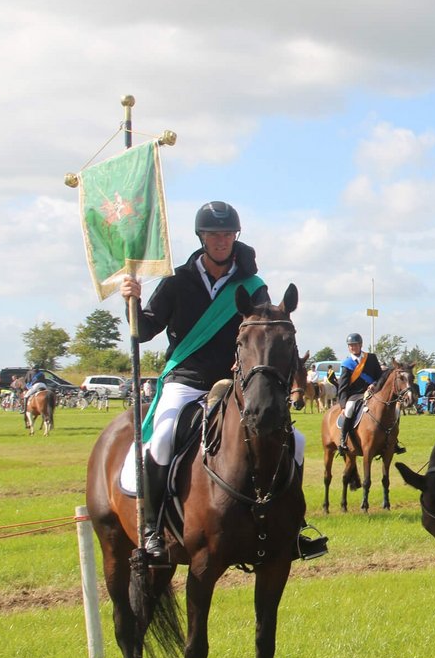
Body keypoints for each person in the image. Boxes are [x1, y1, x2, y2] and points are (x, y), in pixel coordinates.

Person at [120, 201, 327, 562]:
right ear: (201, 238)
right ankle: (153, 531)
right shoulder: (177, 280)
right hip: (185, 379)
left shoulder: (252, 285)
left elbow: (264, 335)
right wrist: (132, 302)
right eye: (214, 234)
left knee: (295, 439)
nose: (221, 241)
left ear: (236, 237)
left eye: (228, 234)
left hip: (233, 384)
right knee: (164, 438)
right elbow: (145, 330)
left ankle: (293, 528)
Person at [335, 333, 404, 454]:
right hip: (355, 395)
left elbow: (380, 376)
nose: (352, 347)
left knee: (396, 411)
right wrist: (342, 405)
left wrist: (374, 385)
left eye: (355, 345)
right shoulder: (346, 364)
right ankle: (343, 439)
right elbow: (342, 387)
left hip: (374, 392)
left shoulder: (371, 358)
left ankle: (394, 441)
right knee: (349, 409)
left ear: (360, 345)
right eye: (350, 345)